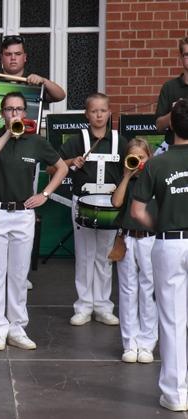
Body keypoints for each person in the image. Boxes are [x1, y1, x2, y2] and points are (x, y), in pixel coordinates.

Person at [0, 34, 65, 291]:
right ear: (1, 57)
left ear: (25, 57)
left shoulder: (33, 83)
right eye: (8, 54)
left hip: (26, 147)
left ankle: (19, 273)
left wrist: (44, 80)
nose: (13, 58)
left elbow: (60, 95)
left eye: (17, 54)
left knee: (23, 199)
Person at [0, 92, 68, 351]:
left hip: (23, 214)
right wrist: (9, 133)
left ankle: (17, 328)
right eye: (9, 109)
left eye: (19, 109)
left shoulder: (36, 141)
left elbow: (62, 168)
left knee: (19, 275)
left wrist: (45, 194)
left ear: (25, 112)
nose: (15, 113)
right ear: (2, 113)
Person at [131, 99, 188, 412]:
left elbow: (137, 211)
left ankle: (175, 394)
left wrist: (160, 225)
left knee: (172, 320)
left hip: (170, 242)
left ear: (171, 126)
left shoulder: (157, 163)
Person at [59, 92, 127, 327]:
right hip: (83, 203)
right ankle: (84, 306)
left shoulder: (120, 140)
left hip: (110, 205)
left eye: (103, 111)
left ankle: (103, 306)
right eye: (94, 111)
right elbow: (54, 167)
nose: (99, 115)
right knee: (85, 255)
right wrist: (71, 162)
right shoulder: (77, 140)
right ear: (86, 114)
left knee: (105, 256)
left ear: (109, 112)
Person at [110, 137, 157, 364]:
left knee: (148, 290)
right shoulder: (126, 179)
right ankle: (129, 343)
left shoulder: (155, 179)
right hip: (127, 237)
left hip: (150, 239)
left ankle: (147, 343)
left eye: (142, 157)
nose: (138, 162)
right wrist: (127, 176)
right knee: (128, 291)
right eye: (133, 157)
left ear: (149, 158)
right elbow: (116, 203)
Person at [154, 37, 188, 154]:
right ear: (181, 58)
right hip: (174, 151)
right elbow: (159, 126)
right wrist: (174, 112)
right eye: (187, 54)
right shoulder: (169, 87)